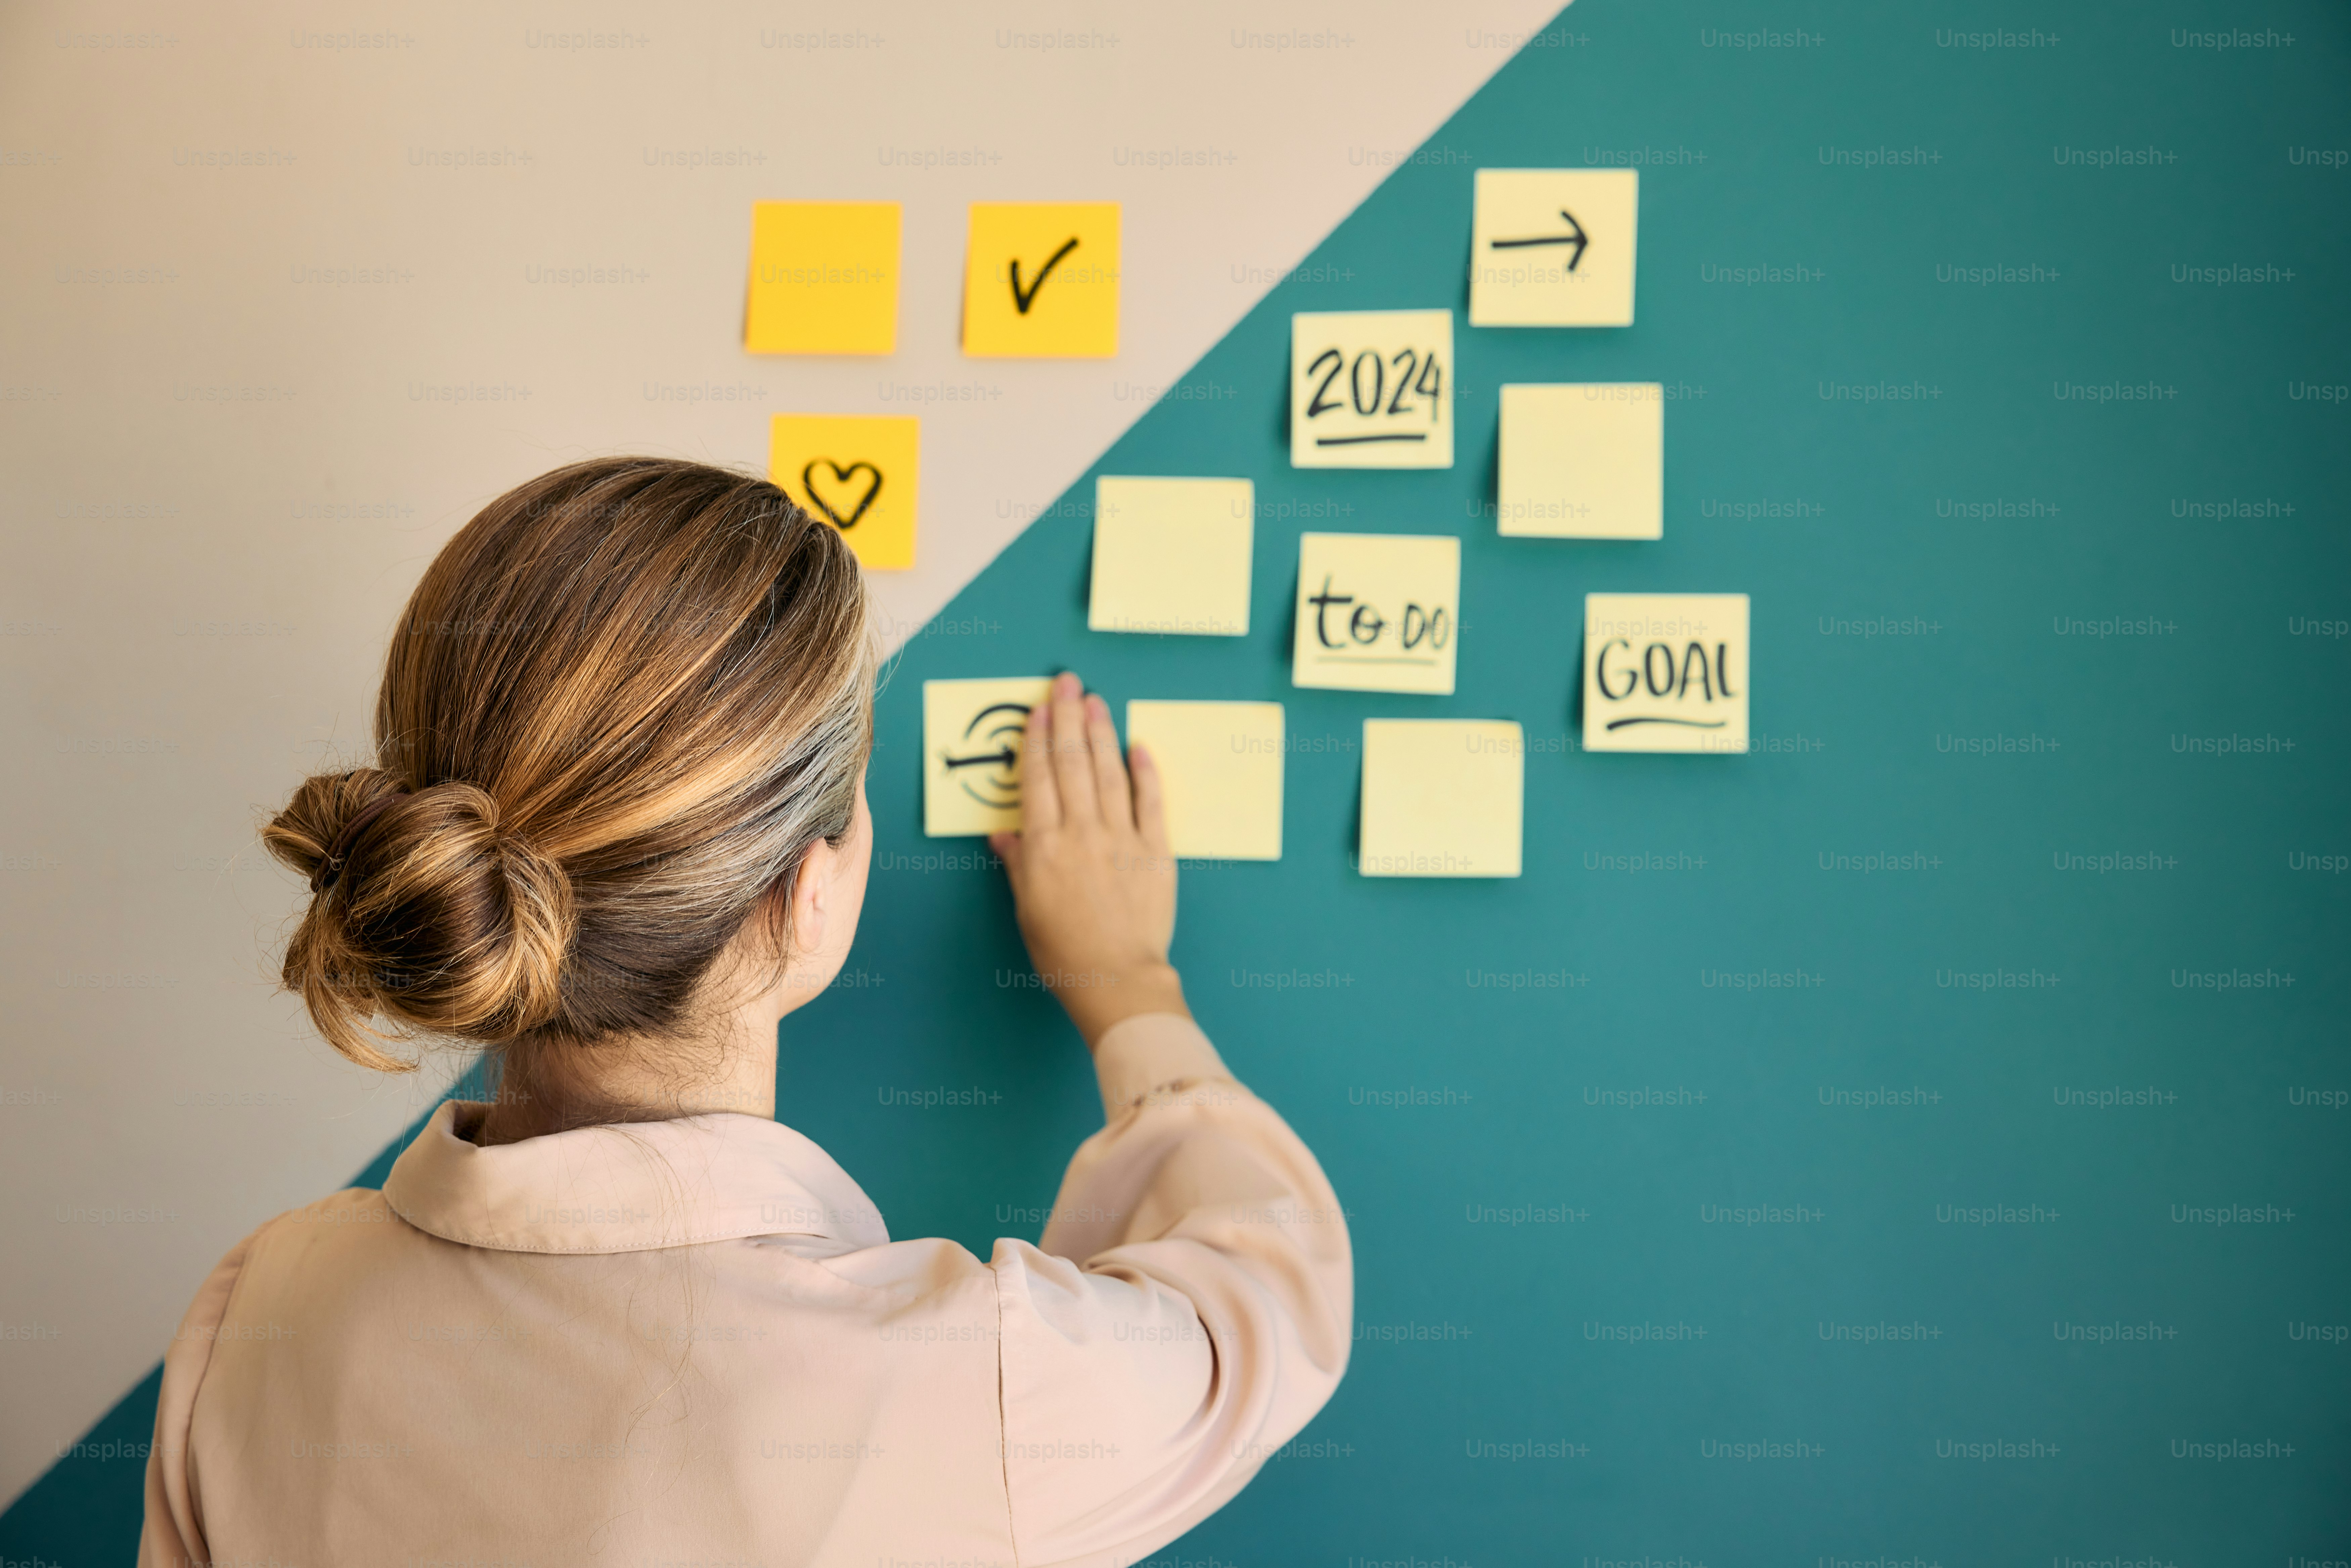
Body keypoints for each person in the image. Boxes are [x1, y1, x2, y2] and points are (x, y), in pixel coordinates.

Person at [137, 457, 1351, 1566]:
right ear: (809, 895)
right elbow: (1273, 1295)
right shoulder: (976, 1393)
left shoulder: (261, 1313)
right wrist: (1130, 982)